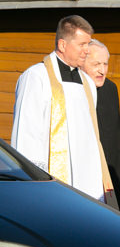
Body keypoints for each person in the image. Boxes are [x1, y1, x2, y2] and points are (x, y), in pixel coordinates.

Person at [11, 15, 113, 204]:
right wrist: (33, 184)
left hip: (86, 184)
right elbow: (26, 135)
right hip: (47, 183)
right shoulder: (36, 77)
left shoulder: (88, 83)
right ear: (63, 45)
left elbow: (92, 140)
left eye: (88, 44)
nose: (86, 51)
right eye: (82, 44)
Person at [84, 40, 120, 212]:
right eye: (96, 64)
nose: (102, 70)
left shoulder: (110, 89)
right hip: (84, 177)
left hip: (109, 179)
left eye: (105, 64)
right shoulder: (73, 89)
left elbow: (116, 136)